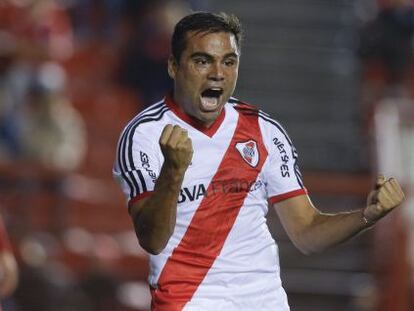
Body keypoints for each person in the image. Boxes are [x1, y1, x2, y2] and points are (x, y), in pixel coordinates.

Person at [113, 12, 405, 310]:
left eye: (229, 61)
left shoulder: (264, 130)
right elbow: (152, 239)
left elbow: (306, 232)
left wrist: (369, 214)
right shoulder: (144, 135)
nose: (218, 73)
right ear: (174, 67)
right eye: (202, 61)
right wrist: (173, 172)